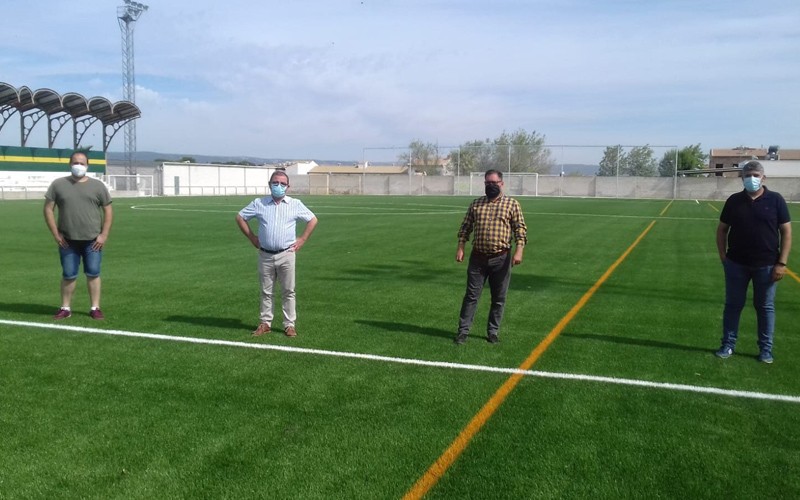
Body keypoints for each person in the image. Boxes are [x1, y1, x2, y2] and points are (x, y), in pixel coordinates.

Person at [715, 160, 792, 363]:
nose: (752, 179)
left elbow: (786, 232)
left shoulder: (776, 200)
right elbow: (722, 229)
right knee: (733, 305)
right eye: (748, 175)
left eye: (756, 175)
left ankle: (766, 349)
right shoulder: (733, 201)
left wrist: (781, 263)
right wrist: (723, 257)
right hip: (736, 264)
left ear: (763, 177)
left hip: (767, 266)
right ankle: (728, 344)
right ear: (742, 178)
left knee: (765, 307)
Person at [236, 170, 318, 338]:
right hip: (265, 255)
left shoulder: (295, 204)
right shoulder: (259, 203)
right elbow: (240, 217)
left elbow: (312, 219)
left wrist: (302, 239)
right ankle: (265, 323)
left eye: (282, 184)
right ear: (269, 185)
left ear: (288, 187)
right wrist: (252, 237)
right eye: (275, 183)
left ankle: (289, 325)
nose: (278, 186)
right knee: (266, 291)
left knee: (288, 290)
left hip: (287, 254)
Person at [455, 169, 527, 344]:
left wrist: (519, 251)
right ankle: (463, 331)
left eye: (494, 183)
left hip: (501, 259)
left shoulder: (512, 204)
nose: (490, 186)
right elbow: (465, 227)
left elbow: (520, 229)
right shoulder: (476, 204)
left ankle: (492, 331)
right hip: (478, 258)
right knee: (471, 296)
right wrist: (461, 247)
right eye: (488, 183)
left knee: (499, 298)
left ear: (501, 184)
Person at [43, 151, 114, 320]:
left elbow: (108, 210)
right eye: (76, 162)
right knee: (68, 274)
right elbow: (48, 209)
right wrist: (56, 234)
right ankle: (65, 308)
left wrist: (103, 234)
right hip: (67, 241)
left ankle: (95, 307)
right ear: (70, 164)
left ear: (87, 165)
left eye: (82, 163)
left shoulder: (98, 186)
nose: (79, 166)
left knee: (93, 273)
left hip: (93, 241)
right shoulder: (58, 185)